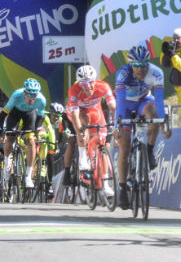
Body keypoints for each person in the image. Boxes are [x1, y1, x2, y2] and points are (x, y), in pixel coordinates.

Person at [115, 44, 166, 209]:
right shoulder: (123, 73)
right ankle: (122, 189)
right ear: (131, 65)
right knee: (124, 144)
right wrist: (119, 124)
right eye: (136, 66)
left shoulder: (156, 72)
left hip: (144, 101)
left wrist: (163, 121)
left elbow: (159, 99)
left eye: (144, 66)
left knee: (154, 116)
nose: (141, 70)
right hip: (126, 105)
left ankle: (149, 151)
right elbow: (120, 101)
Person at [66, 65, 116, 196]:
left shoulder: (103, 86)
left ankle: (105, 185)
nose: (88, 86)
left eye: (90, 82)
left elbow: (113, 108)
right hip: (77, 111)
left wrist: (116, 126)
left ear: (95, 80)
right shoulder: (74, 90)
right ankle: (83, 156)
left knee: (103, 146)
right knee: (83, 125)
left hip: (94, 109)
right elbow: (75, 116)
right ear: (79, 83)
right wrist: (80, 131)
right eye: (83, 83)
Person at [0, 78, 46, 188]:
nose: (31, 98)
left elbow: (40, 117)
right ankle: (7, 161)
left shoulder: (41, 100)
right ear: (24, 92)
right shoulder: (17, 95)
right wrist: (1, 132)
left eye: (34, 95)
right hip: (15, 113)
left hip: (30, 114)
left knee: (31, 141)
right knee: (10, 138)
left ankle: (28, 176)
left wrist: (36, 133)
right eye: (29, 95)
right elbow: (4, 114)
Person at [48, 102, 76, 186]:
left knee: (71, 140)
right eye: (54, 115)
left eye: (58, 115)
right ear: (50, 113)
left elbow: (66, 127)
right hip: (46, 138)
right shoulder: (45, 118)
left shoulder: (62, 118)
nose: (56, 117)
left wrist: (67, 132)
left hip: (59, 136)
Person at [160, 28, 181, 104]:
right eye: (174, 38)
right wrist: (165, 53)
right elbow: (165, 64)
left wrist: (172, 55)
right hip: (178, 87)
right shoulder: (175, 48)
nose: (176, 41)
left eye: (178, 38)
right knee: (180, 111)